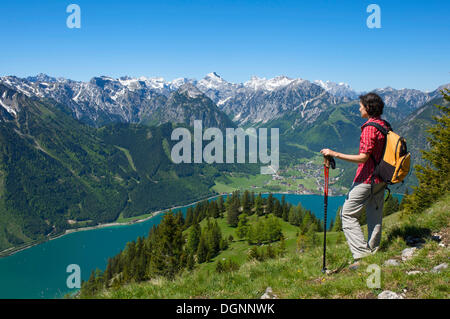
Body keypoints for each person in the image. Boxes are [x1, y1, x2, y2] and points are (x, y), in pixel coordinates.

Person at [320, 92, 388, 268]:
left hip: (366, 179)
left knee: (347, 214)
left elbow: (363, 158)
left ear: (368, 108)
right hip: (382, 179)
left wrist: (334, 154)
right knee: (375, 217)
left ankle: (362, 256)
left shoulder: (369, 128)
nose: (359, 108)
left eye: (361, 105)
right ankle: (373, 253)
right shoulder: (384, 125)